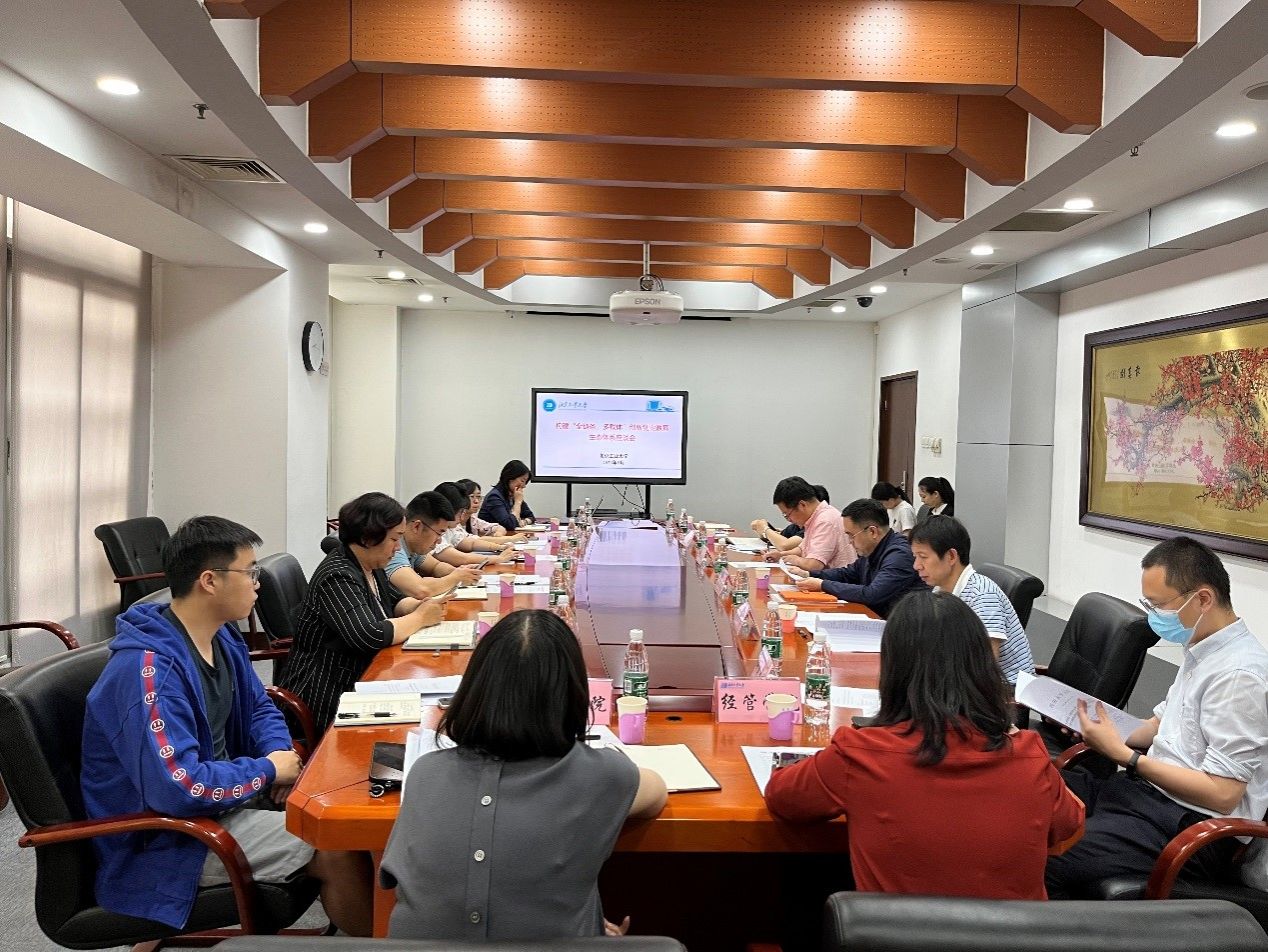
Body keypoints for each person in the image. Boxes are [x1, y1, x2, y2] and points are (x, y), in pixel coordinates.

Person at [81, 516, 373, 934]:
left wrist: (277, 753)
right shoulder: (149, 673)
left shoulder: (221, 636)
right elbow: (180, 789)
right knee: (336, 844)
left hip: (224, 804)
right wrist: (267, 772)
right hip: (172, 841)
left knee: (353, 807)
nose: (258, 583)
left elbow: (259, 708)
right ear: (209, 581)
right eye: (249, 572)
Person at [766, 591, 1083, 899]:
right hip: (1013, 931)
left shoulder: (860, 752)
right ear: (982, 667)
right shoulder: (1028, 754)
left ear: (893, 668)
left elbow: (784, 797)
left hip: (891, 930)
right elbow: (1067, 823)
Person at [381, 610, 668, 940]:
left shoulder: (426, 773)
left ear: (474, 688)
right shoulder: (603, 774)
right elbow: (655, 791)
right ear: (571, 695)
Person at [1046, 535, 1268, 898]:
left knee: (1045, 857)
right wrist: (1096, 724)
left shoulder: (1239, 675)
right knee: (1030, 792)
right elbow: (1156, 727)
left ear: (1203, 599)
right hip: (1145, 796)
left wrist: (1124, 756)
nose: (1153, 617)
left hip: (1188, 823)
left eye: (1159, 605)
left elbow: (1223, 793)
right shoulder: (1202, 649)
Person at [278, 492, 447, 736]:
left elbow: (394, 602)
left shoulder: (370, 564)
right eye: (394, 539)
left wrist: (421, 606)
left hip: (361, 676)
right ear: (368, 538)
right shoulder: (338, 575)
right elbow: (370, 635)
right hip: (326, 691)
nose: (397, 547)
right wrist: (420, 618)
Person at [909, 516, 1035, 684]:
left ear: (951, 556)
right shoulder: (940, 589)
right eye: (915, 557)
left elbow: (983, 667)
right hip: (964, 681)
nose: (916, 565)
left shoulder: (982, 596)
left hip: (1004, 690)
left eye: (923, 557)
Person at [795, 498, 928, 617]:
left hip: (900, 627)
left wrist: (823, 585)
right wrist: (809, 574)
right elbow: (848, 574)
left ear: (872, 532)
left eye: (851, 535)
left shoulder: (899, 554)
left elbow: (872, 594)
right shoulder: (871, 549)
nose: (849, 541)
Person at [387, 490, 484, 600]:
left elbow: (435, 567)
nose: (439, 541)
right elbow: (420, 590)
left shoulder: (414, 545)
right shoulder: (394, 549)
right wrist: (456, 578)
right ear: (417, 527)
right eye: (439, 533)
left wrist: (461, 572)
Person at [760, 477, 854, 570]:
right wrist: (781, 555)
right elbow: (803, 549)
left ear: (802, 505)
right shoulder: (815, 517)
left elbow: (814, 565)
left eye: (787, 514)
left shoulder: (825, 521)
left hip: (837, 578)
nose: (789, 520)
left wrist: (795, 560)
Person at [431, 482, 517, 568]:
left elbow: (472, 543)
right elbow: (462, 558)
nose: (462, 518)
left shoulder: (450, 528)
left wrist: (500, 547)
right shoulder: (433, 531)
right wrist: (498, 558)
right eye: (461, 512)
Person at [752, 484, 830, 552]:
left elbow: (785, 546)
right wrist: (761, 529)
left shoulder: (820, 524)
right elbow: (775, 540)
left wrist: (765, 529)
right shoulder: (797, 526)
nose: (789, 519)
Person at [458, 478, 526, 540]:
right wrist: (509, 539)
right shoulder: (454, 523)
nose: (476, 501)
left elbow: (499, 528)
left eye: (478, 496)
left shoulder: (473, 520)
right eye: (472, 496)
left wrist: (498, 535)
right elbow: (473, 541)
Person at [479, 459, 536, 531]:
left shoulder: (513, 495)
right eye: (522, 481)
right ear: (510, 478)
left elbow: (531, 516)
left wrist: (524, 521)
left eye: (525, 482)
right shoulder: (494, 497)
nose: (524, 486)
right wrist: (517, 503)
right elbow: (509, 524)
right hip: (491, 536)